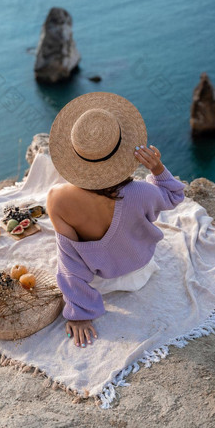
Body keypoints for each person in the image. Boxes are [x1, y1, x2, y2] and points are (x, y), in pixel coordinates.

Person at [46, 92, 186, 349]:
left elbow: (69, 262)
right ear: (123, 153)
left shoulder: (57, 199)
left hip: (99, 283)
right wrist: (157, 169)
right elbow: (175, 195)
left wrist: (80, 313)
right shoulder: (142, 193)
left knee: (64, 246)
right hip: (140, 273)